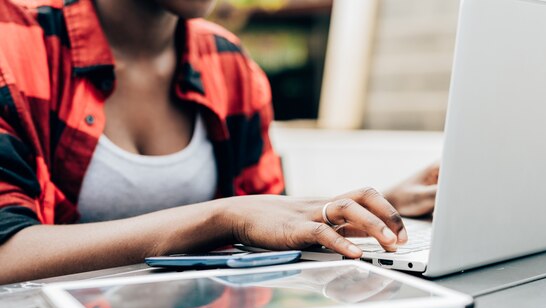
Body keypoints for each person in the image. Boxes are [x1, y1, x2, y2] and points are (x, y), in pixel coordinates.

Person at [0, 0, 438, 284]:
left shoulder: (227, 62)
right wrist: (220, 217)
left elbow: (267, 219)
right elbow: (8, 252)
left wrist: (376, 208)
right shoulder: (13, 41)